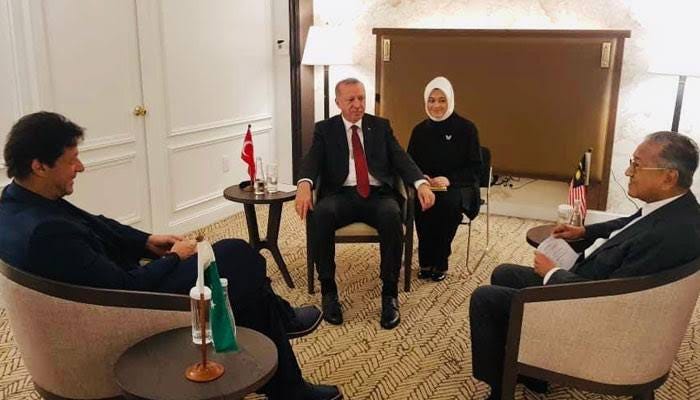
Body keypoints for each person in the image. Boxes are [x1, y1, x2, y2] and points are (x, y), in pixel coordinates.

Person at [0, 112, 342, 400]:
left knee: (239, 281)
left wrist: (148, 241)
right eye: (71, 159)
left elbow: (99, 225)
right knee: (238, 256)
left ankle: (284, 359)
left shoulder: (19, 203)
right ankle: (284, 344)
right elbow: (123, 287)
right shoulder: (47, 233)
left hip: (110, 294)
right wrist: (174, 258)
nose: (81, 167)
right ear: (39, 166)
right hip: (129, 308)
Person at [469, 131, 700, 400]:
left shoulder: (666, 236)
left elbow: (612, 299)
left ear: (668, 177)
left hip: (593, 314)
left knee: (485, 298)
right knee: (504, 273)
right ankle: (534, 373)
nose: (628, 172)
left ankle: (500, 386)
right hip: (598, 284)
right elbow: (629, 224)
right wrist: (584, 232)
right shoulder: (677, 209)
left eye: (637, 165)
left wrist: (553, 273)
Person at [295, 77, 435, 330]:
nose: (358, 104)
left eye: (361, 98)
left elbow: (400, 157)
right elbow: (312, 159)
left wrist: (420, 183)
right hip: (340, 194)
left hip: (377, 194)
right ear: (338, 102)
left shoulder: (380, 126)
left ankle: (389, 294)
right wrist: (304, 183)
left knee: (392, 215)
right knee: (321, 215)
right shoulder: (325, 129)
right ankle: (329, 291)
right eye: (351, 99)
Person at [407, 76, 482, 281]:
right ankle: (425, 260)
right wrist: (421, 178)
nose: (436, 105)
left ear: (450, 100)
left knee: (447, 204)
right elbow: (410, 163)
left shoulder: (467, 129)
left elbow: (475, 168)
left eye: (442, 100)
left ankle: (440, 261)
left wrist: (448, 180)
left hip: (458, 186)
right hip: (427, 185)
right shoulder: (419, 130)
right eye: (431, 100)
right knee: (421, 203)